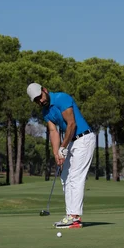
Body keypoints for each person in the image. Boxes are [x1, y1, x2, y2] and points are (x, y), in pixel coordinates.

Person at [27, 82, 96, 228]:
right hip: (71, 142)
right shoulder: (45, 112)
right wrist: (56, 153)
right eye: (36, 100)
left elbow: (72, 124)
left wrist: (63, 147)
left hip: (83, 139)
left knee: (75, 177)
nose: (40, 101)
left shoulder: (61, 98)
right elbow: (53, 132)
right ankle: (70, 215)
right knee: (65, 177)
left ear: (44, 90)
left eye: (40, 97)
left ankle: (75, 218)